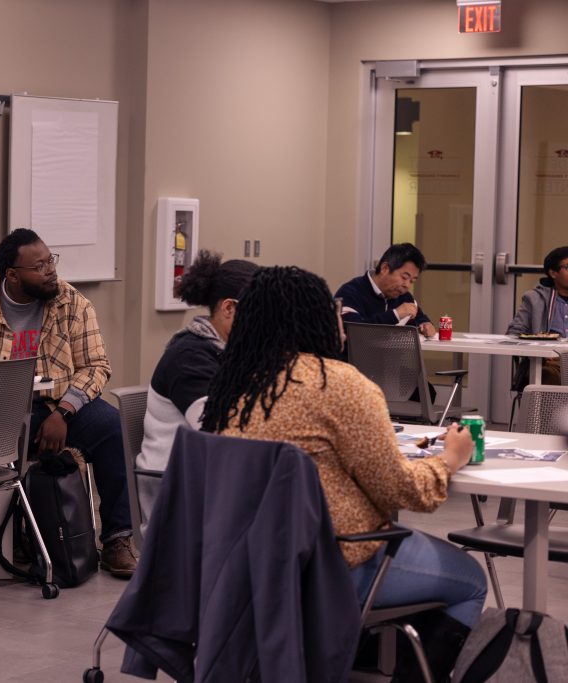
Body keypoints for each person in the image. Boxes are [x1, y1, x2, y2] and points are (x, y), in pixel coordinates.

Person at [201, 265, 485, 676]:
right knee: (470, 579)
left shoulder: (236, 384)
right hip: (326, 565)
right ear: (315, 320)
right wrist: (451, 458)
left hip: (240, 566)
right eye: (337, 314)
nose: (345, 326)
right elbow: (404, 493)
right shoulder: (340, 384)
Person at [0, 228, 137, 578]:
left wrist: (64, 412)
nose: (51, 270)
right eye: (40, 266)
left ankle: (117, 540)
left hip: (61, 405)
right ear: (12, 275)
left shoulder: (72, 303)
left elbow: (97, 367)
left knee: (112, 428)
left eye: (51, 260)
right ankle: (16, 531)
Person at [136, 252, 258, 527]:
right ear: (229, 308)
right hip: (178, 490)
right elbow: (219, 430)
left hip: (209, 477)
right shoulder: (190, 357)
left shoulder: (230, 352)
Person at [335, 242, 437, 337]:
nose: (407, 285)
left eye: (412, 281)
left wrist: (426, 325)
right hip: (353, 356)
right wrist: (395, 315)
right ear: (385, 268)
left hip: (391, 356)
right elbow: (353, 331)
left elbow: (420, 318)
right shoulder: (350, 292)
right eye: (404, 277)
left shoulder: (404, 297)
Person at [506, 245, 568, 384]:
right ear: (553, 273)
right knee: (546, 375)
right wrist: (540, 352)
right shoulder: (534, 299)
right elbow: (514, 333)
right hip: (549, 362)